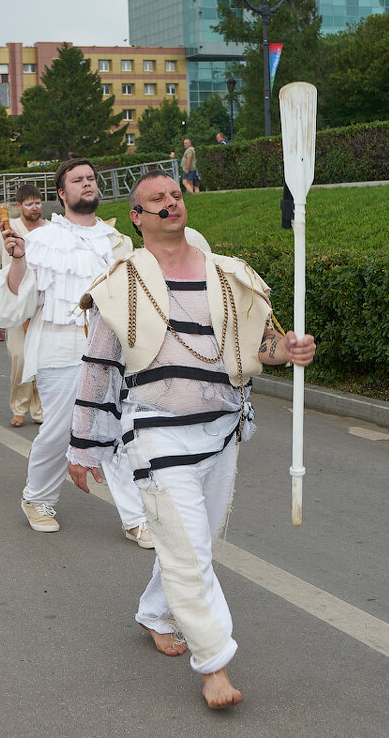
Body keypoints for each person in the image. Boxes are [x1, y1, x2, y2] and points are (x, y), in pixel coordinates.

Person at [67, 170, 317, 709]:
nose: (169, 203)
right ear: (136, 216)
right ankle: (215, 665)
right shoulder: (121, 283)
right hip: (154, 432)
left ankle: (155, 612)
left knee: (192, 543)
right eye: (155, 198)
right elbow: (98, 368)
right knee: (188, 551)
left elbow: (264, 344)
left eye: (175, 195)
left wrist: (290, 350)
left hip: (221, 430)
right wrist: (83, 446)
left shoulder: (228, 275)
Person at [0, 158, 148, 545]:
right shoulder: (40, 240)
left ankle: (134, 516)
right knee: (61, 430)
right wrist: (17, 259)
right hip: (59, 346)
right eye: (77, 180)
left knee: (114, 428)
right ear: (62, 194)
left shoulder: (118, 241)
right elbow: (14, 306)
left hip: (110, 349)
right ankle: (37, 498)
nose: (87, 184)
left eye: (91, 179)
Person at [0, 183, 46, 428]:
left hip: (41, 306)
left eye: (38, 202)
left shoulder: (48, 229)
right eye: (29, 204)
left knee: (41, 359)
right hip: (15, 303)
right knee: (19, 357)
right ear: (19, 206)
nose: (35, 208)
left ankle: (39, 408)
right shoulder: (6, 230)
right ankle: (19, 407)